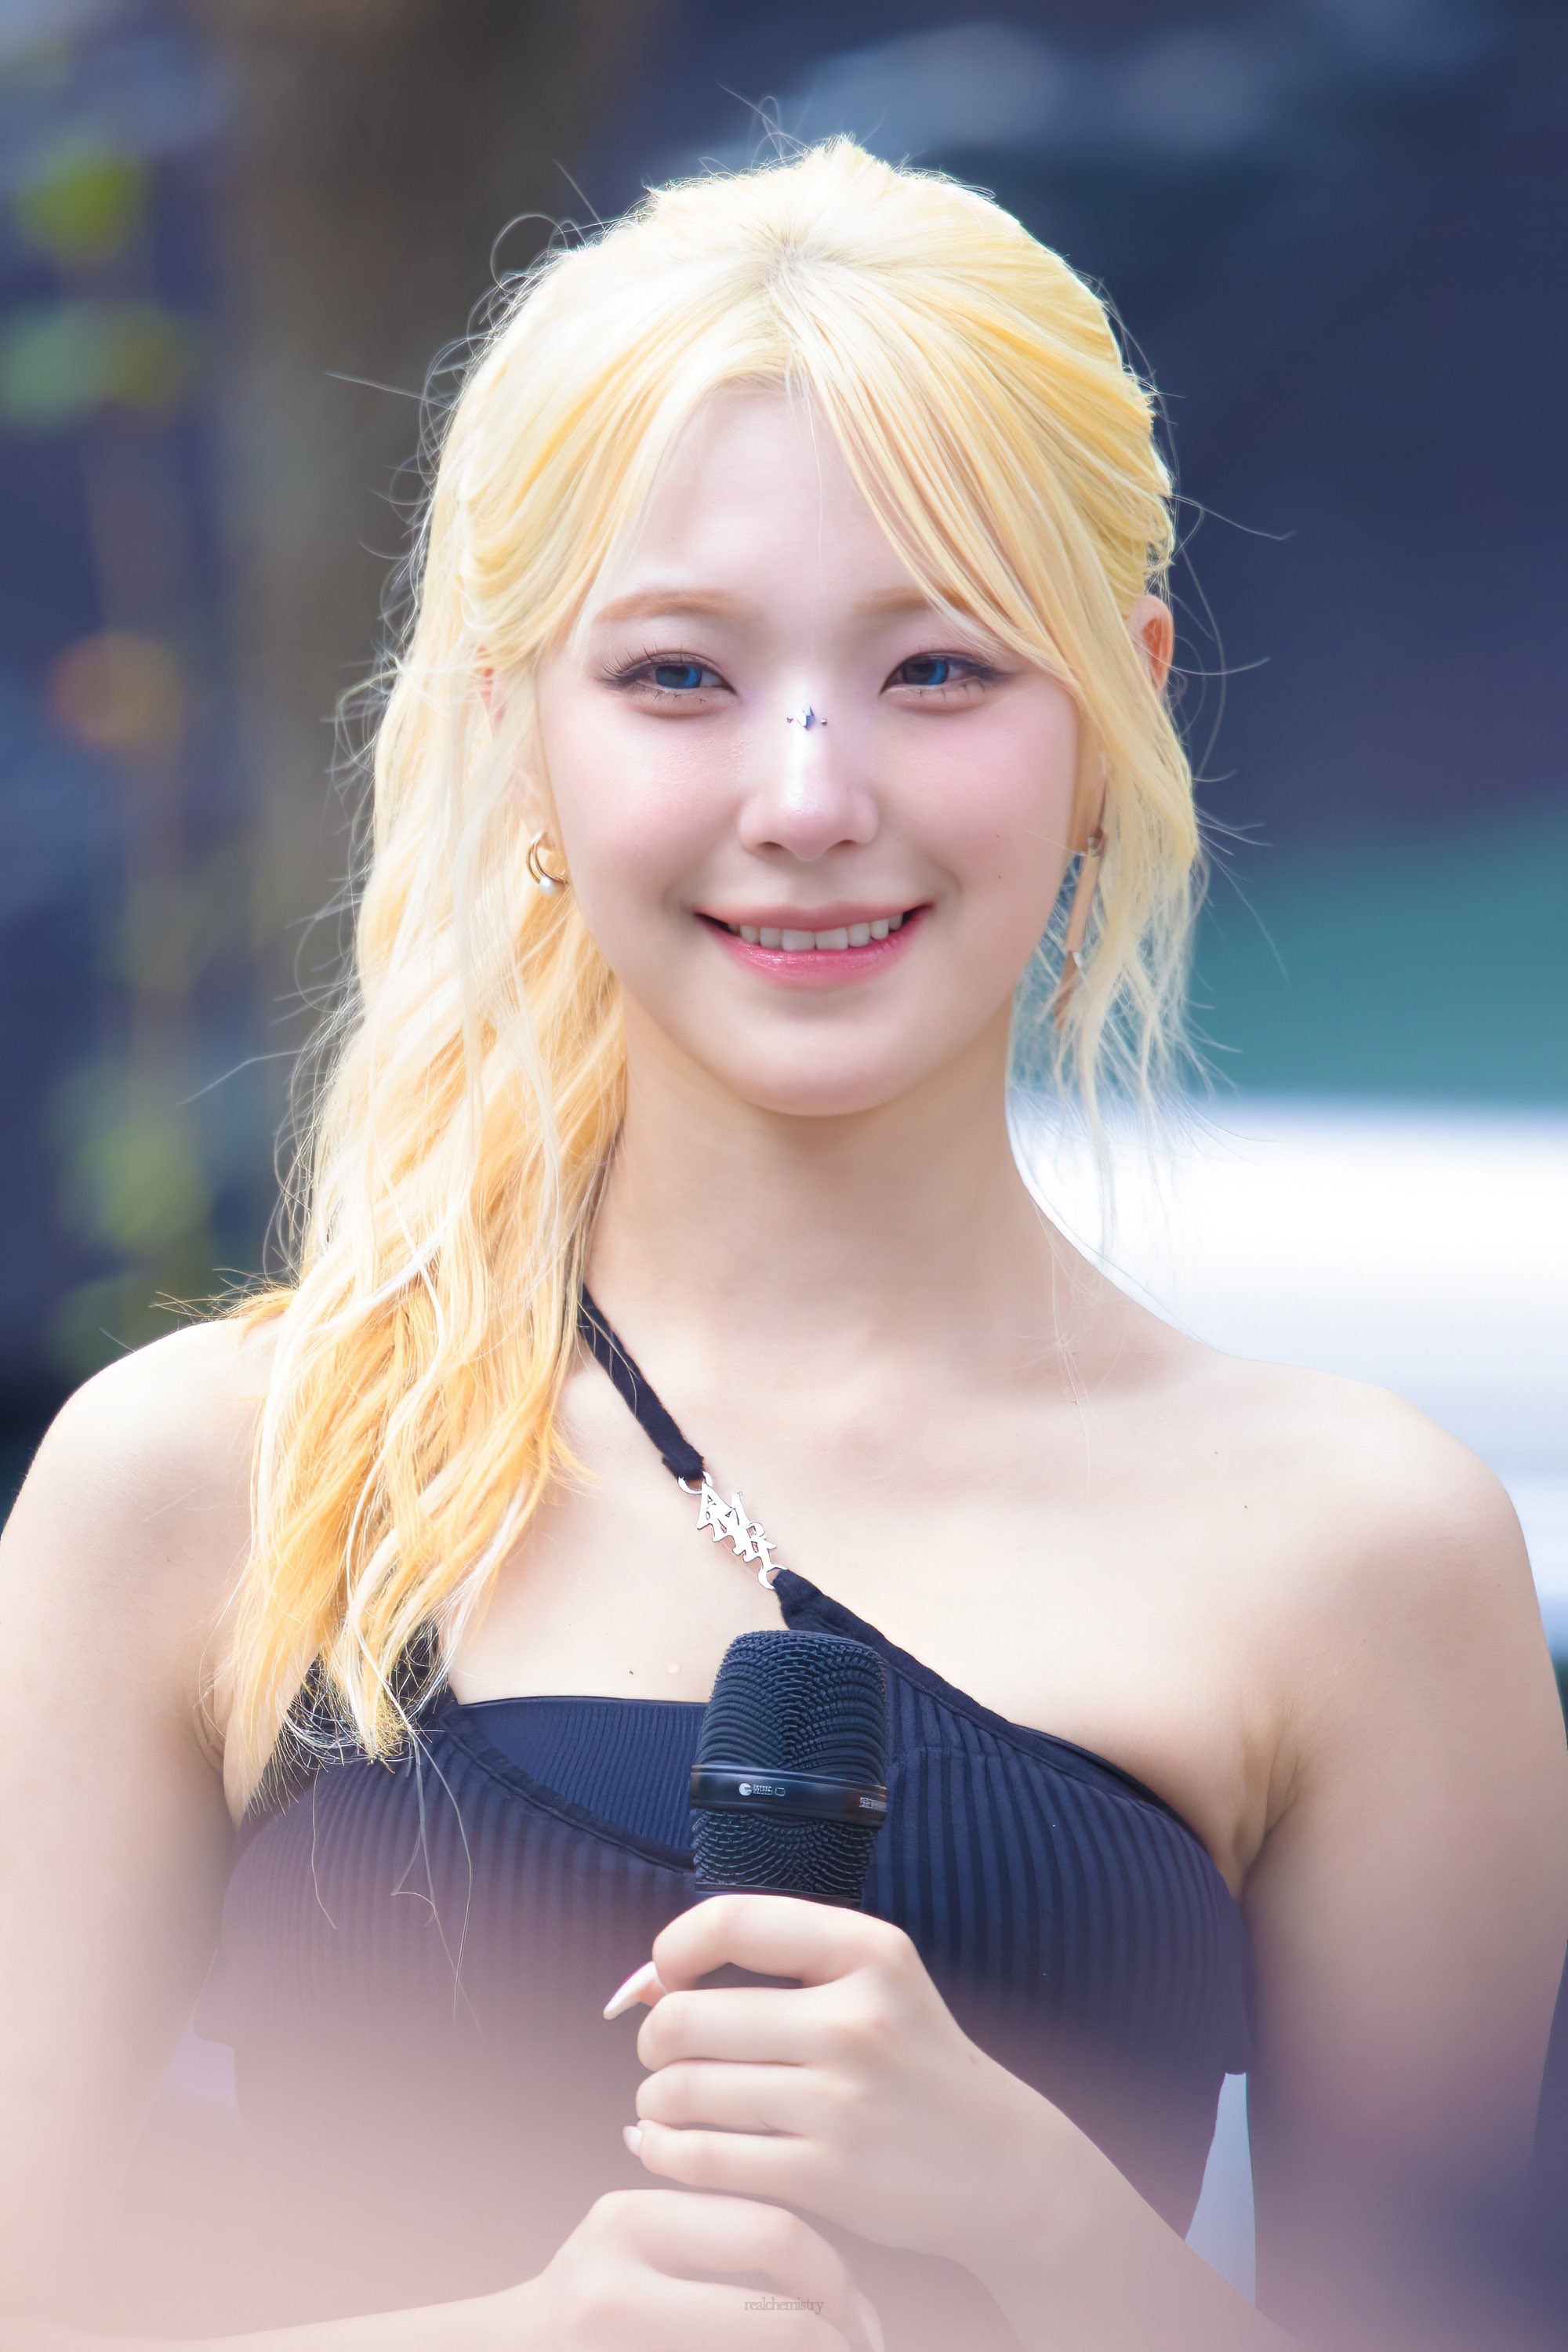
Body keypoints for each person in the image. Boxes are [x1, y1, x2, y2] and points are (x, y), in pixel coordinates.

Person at [2, 139, 1564, 2352]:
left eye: (937, 669)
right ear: (514, 735)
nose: (811, 796)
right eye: (677, 675)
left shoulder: (1366, 1555)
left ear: (1113, 713)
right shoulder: (217, 1484)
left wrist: (1052, 2230)